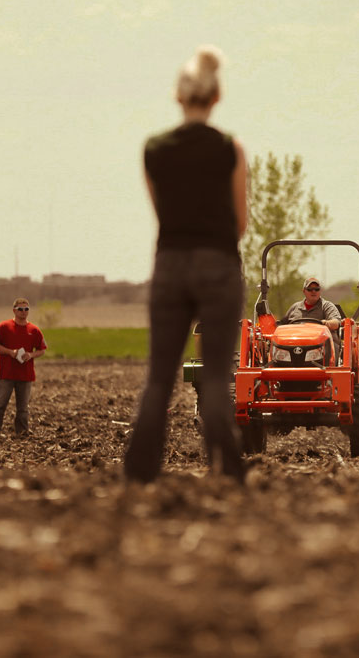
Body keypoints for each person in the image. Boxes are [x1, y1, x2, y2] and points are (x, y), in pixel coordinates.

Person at [124, 44, 249, 484]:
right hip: (218, 264)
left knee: (159, 376)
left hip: (170, 264)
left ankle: (139, 474)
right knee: (215, 376)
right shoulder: (230, 149)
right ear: (217, 97)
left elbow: (162, 214)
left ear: (179, 96)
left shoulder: (154, 149)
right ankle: (228, 469)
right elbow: (241, 222)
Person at [0, 297, 47, 438]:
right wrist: (10, 352)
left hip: (25, 375)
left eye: (26, 309)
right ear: (14, 310)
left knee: (23, 408)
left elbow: (42, 349)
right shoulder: (3, 327)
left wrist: (31, 355)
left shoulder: (34, 330)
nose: (23, 312)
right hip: (6, 374)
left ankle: (22, 433)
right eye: (20, 309)